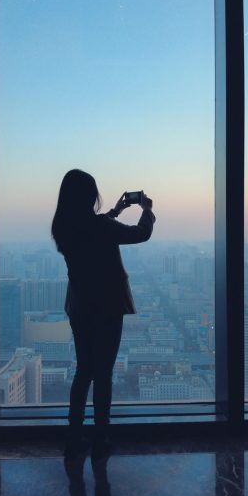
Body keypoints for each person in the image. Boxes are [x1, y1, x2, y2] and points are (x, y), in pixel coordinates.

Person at [51, 169, 155, 459]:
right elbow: (140, 233)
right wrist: (147, 210)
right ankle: (101, 436)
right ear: (88, 196)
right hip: (107, 306)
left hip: (80, 306)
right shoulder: (99, 227)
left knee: (84, 370)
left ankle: (73, 435)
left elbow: (96, 228)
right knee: (104, 374)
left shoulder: (63, 227)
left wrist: (115, 211)